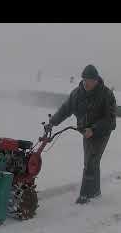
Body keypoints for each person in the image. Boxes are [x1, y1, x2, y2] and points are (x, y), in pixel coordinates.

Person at [47, 64, 117, 204]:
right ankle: (95, 191)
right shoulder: (77, 94)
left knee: (91, 161)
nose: (86, 83)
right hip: (86, 132)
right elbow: (65, 109)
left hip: (101, 133)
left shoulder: (106, 94)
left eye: (90, 80)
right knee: (92, 161)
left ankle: (85, 196)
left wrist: (94, 129)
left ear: (96, 80)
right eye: (84, 79)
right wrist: (52, 122)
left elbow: (110, 120)